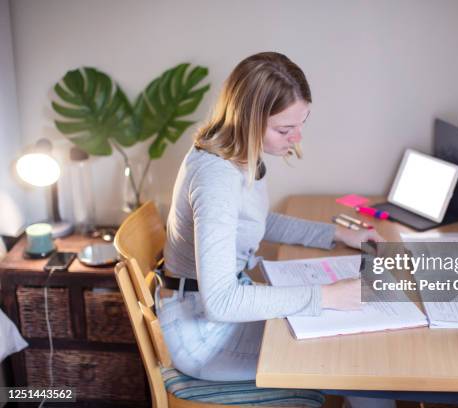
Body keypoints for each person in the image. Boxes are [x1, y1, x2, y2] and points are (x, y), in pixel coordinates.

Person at [157, 52, 392, 408]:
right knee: (355, 359)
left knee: (352, 346)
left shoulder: (235, 152)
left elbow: (258, 221)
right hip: (203, 334)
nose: (296, 138)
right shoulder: (215, 177)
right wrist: (326, 295)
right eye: (284, 129)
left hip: (207, 309)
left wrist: (337, 235)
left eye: (301, 124)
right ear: (248, 120)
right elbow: (221, 301)